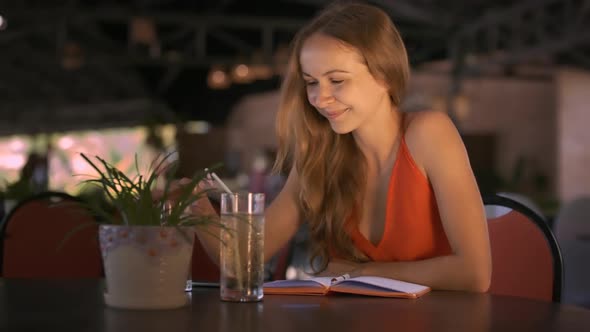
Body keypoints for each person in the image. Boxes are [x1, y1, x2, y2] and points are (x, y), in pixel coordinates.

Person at [193, 1, 491, 292]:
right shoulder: (319, 156)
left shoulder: (428, 133)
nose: (320, 98)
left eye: (336, 80)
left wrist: (361, 273)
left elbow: (475, 274)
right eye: (311, 82)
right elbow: (244, 257)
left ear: (384, 75)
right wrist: (194, 203)